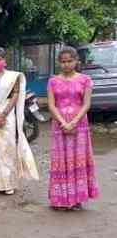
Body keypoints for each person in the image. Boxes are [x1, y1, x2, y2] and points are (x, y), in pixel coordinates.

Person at [0, 47, 39, 195]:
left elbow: (15, 95)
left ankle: (8, 184)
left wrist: (3, 114)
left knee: (8, 148)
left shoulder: (14, 77)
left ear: (5, 61)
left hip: (7, 116)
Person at [47, 46, 99, 209]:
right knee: (61, 161)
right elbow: (51, 105)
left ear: (76, 61)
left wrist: (73, 122)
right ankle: (60, 198)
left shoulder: (85, 80)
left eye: (70, 61)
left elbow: (87, 104)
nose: (67, 65)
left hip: (80, 126)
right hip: (59, 125)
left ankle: (77, 199)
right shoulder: (53, 81)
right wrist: (63, 122)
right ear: (59, 63)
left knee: (78, 160)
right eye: (63, 62)